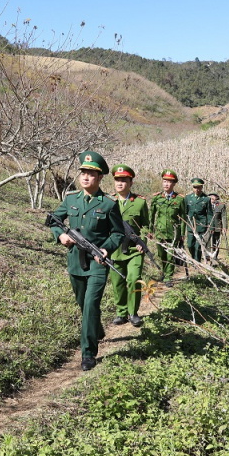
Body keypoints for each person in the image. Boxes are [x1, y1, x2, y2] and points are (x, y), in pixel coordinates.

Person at [48, 150, 124, 372]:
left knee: (91, 305)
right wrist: (60, 235)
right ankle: (96, 329)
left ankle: (88, 353)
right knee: (83, 304)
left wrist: (106, 249)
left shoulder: (109, 204)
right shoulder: (71, 198)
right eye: (83, 172)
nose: (85, 177)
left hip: (97, 263)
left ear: (100, 178)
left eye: (91, 174)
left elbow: (118, 234)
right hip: (75, 262)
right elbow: (53, 219)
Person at [109, 165, 150, 327]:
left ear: (130, 183)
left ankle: (133, 313)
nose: (120, 183)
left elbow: (146, 227)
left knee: (134, 279)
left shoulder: (139, 203)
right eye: (117, 180)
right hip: (114, 250)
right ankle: (121, 313)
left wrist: (143, 243)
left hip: (134, 250)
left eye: (124, 180)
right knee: (117, 282)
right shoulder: (108, 202)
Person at [148, 169, 187, 284]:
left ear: (174, 184)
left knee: (171, 255)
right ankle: (165, 273)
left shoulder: (179, 199)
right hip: (160, 232)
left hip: (173, 232)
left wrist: (182, 234)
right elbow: (151, 215)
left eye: (169, 182)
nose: (166, 184)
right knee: (162, 255)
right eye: (164, 181)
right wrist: (150, 230)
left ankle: (168, 277)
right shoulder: (157, 198)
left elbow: (183, 218)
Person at [185, 177, 212, 263]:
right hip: (191, 225)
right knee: (190, 245)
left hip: (201, 226)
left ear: (202, 187)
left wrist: (209, 226)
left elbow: (210, 213)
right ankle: (193, 258)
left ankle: (197, 262)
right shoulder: (188, 198)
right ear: (192, 188)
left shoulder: (206, 199)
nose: (197, 189)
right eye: (195, 187)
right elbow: (185, 212)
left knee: (198, 246)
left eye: (199, 187)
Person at [207, 192, 227, 260]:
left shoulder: (221, 205)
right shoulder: (206, 204)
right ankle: (207, 256)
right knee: (207, 241)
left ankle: (215, 256)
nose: (212, 197)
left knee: (216, 242)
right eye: (210, 196)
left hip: (217, 227)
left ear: (217, 198)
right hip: (207, 227)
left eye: (214, 196)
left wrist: (224, 227)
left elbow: (223, 217)